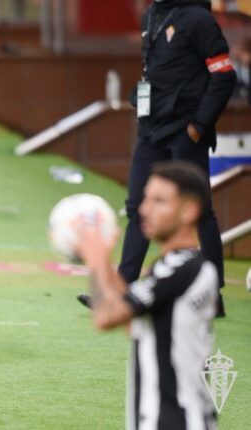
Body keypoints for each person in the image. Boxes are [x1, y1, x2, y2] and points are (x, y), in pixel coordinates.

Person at [77, 0, 236, 316]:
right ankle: (121, 291)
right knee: (138, 206)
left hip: (185, 130)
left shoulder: (199, 19)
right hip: (151, 129)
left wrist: (198, 126)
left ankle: (213, 294)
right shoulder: (153, 14)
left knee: (198, 211)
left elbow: (224, 76)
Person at [76, 161, 219, 430]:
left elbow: (107, 317)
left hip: (172, 421)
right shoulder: (179, 266)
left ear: (188, 211)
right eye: (146, 199)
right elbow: (136, 322)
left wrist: (94, 256)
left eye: (159, 201)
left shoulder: (182, 269)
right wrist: (105, 261)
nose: (144, 209)